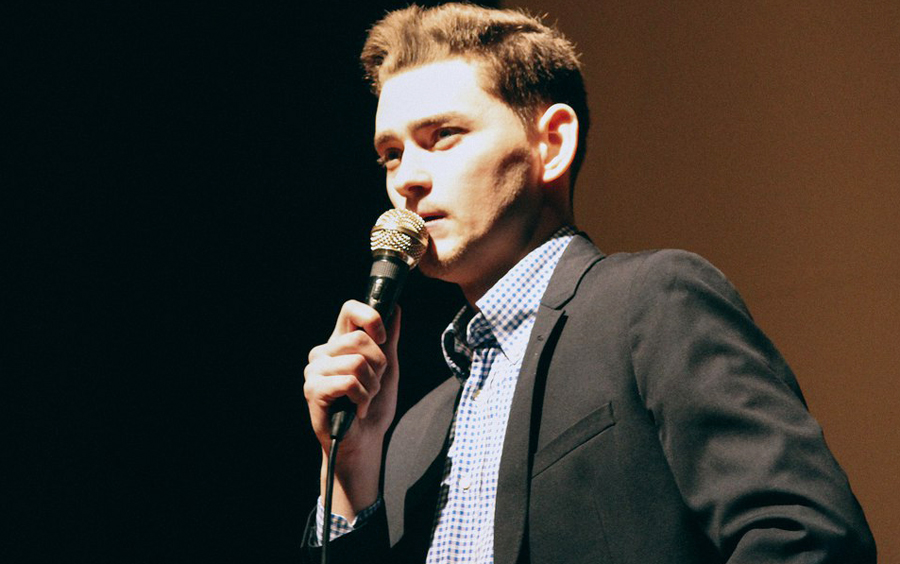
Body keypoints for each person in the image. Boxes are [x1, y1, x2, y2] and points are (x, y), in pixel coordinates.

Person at [301, 4, 875, 563]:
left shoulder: (651, 304)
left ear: (552, 143)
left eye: (444, 135)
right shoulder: (413, 436)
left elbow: (805, 535)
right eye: (391, 154)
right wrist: (351, 467)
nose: (408, 179)